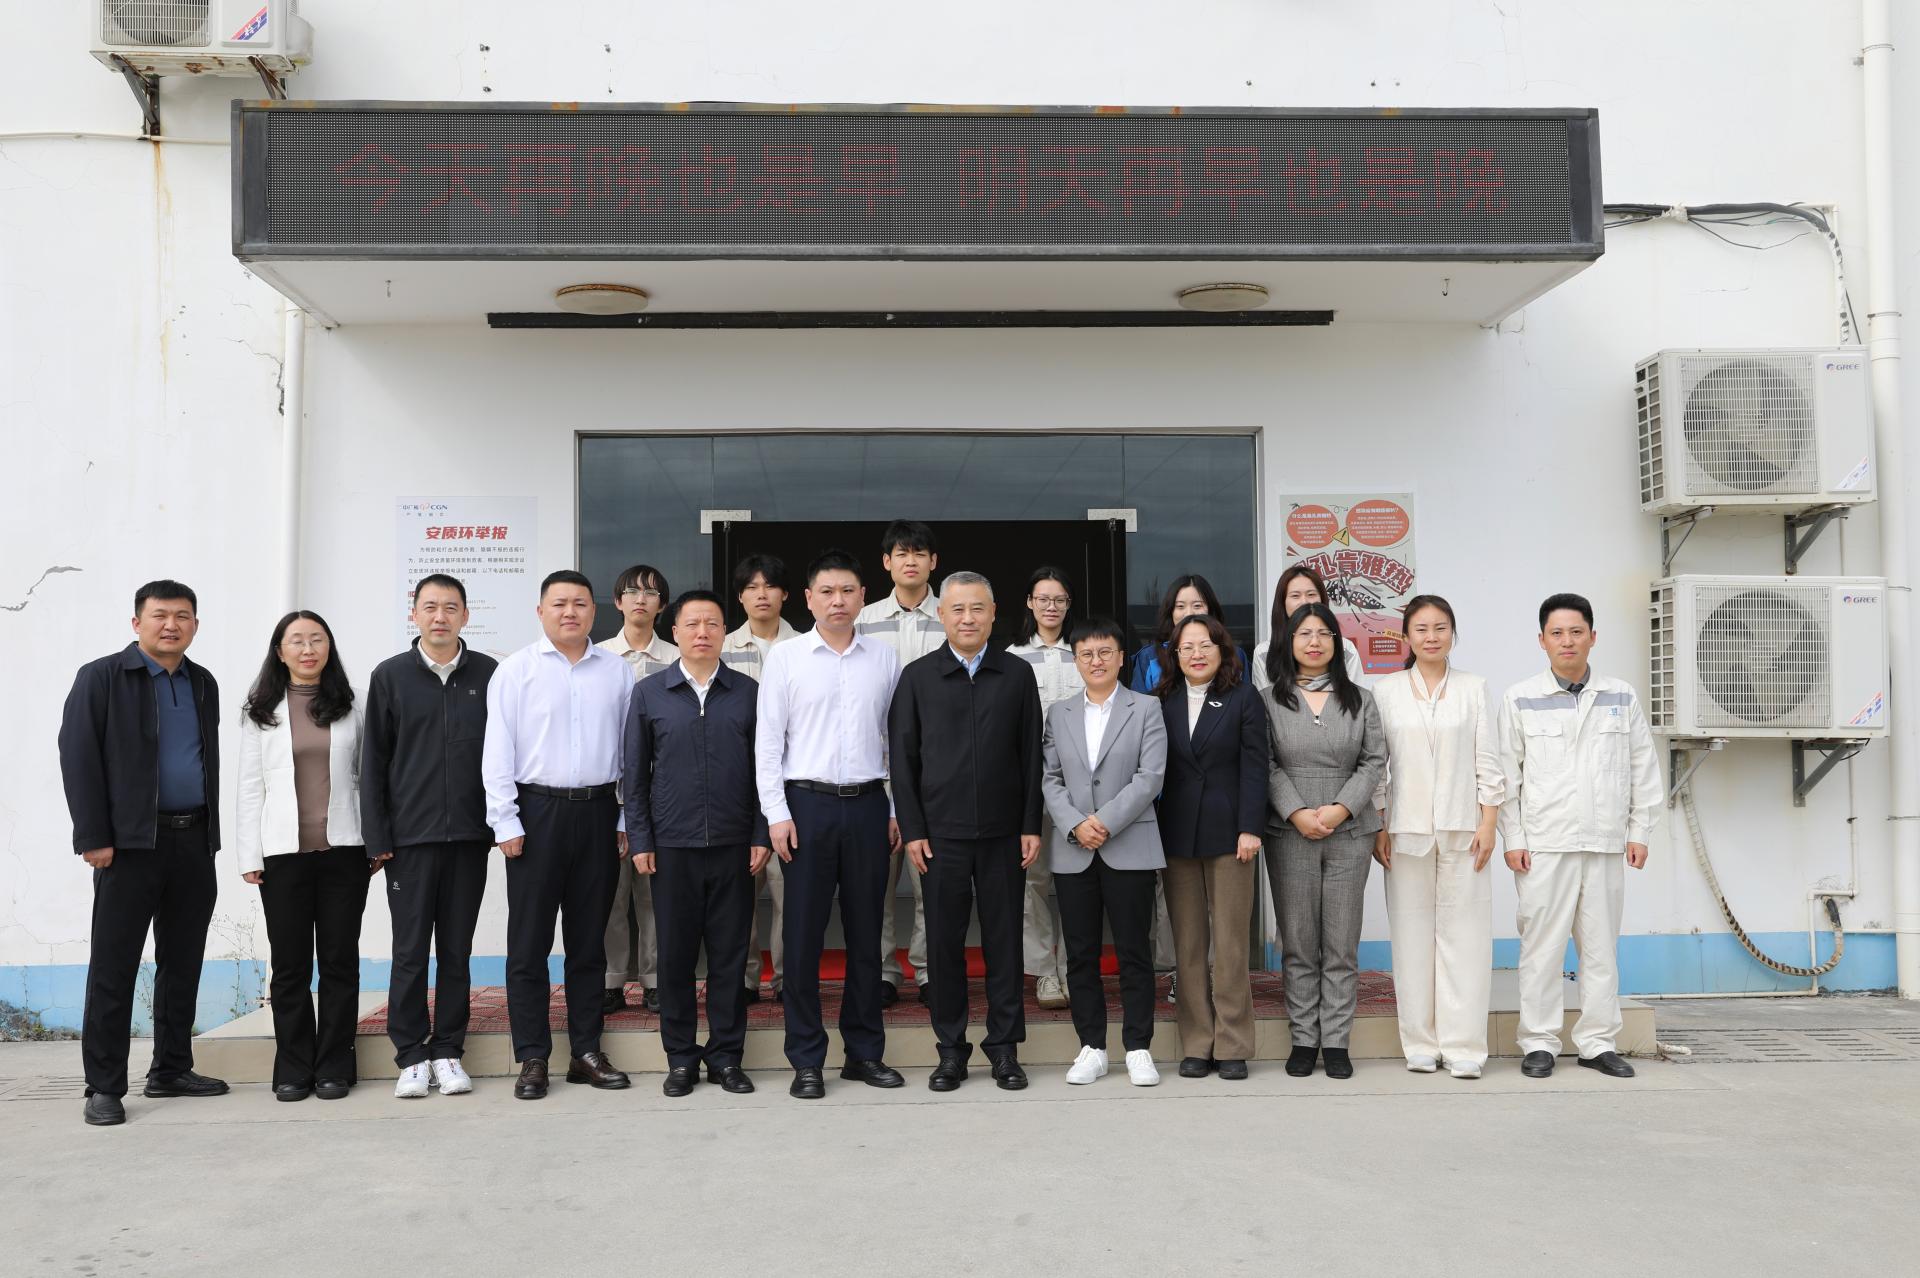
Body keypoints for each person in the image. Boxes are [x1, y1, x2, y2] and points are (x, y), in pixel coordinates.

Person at [59, 580, 227, 1127]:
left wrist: (211, 836)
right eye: (160, 615)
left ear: (195, 625)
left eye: (183, 616)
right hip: (129, 845)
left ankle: (172, 1068)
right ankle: (104, 1086)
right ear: (137, 623)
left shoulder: (203, 682)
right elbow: (78, 756)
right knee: (115, 966)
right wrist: (93, 835)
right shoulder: (102, 677)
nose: (171, 625)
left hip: (193, 840)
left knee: (183, 961)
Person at [757, 549, 908, 1099]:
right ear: (808, 598)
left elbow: (896, 742)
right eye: (826, 591)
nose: (837, 601)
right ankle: (806, 1059)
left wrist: (895, 809)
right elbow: (768, 742)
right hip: (806, 808)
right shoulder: (786, 658)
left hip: (869, 805)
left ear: (863, 596)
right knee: (801, 938)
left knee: (868, 935)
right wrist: (776, 813)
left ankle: (864, 1053)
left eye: (847, 591)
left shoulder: (885, 658)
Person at [891, 571, 1045, 1092]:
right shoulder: (917, 678)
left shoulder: (1017, 674)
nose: (968, 618)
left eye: (978, 608)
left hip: (1004, 835)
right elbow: (902, 760)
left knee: (1005, 945)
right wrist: (913, 828)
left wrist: (1030, 824)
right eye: (957, 609)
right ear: (941, 615)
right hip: (941, 837)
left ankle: (1004, 1049)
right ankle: (951, 1051)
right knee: (943, 947)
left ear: (994, 613)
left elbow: (1031, 755)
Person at [484, 570, 634, 1100]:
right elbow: (497, 750)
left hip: (598, 813)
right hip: (535, 814)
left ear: (595, 611)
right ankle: (533, 1056)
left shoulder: (616, 671)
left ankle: (586, 1051)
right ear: (541, 611)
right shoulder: (516, 670)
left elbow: (629, 751)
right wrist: (505, 821)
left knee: (588, 943)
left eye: (580, 604)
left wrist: (624, 819)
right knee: (529, 944)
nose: (570, 612)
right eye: (559, 603)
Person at [1500, 593, 1662, 1080]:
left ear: (1593, 637)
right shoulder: (1521, 697)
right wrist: (1514, 837)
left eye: (1576, 632)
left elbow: (1642, 766)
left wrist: (1639, 830)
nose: (1566, 641)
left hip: (1605, 843)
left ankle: (1597, 1043)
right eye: (1557, 633)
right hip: (1545, 845)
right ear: (1542, 640)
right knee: (1541, 951)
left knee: (1600, 951)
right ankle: (1539, 1042)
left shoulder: (1620, 695)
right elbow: (1508, 776)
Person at [626, 591, 771, 1097]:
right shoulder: (650, 694)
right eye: (692, 624)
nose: (702, 632)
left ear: (725, 631)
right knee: (675, 959)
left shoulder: (748, 692)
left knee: (731, 957)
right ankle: (681, 1059)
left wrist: (760, 833)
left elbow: (764, 771)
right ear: (675, 632)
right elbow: (635, 774)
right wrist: (641, 837)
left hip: (734, 846)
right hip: (672, 847)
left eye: (712, 623)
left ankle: (727, 1058)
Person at [362, 573, 498, 1100]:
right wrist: (378, 837)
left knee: (457, 951)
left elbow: (504, 754)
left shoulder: (488, 673)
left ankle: (448, 1050)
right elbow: (373, 762)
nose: (440, 617)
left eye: (451, 607)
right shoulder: (390, 676)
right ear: (414, 613)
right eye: (430, 607)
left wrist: (499, 823)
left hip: (469, 836)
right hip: (410, 840)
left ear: (466, 615)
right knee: (410, 951)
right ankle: (411, 1055)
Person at [236, 610, 369, 1102]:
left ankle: (334, 1064)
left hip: (345, 850)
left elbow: (369, 777)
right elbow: (249, 787)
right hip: (283, 855)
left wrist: (375, 839)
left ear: (329, 647)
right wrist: (249, 854)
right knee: (290, 965)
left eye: (317, 639)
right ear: (280, 651)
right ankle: (293, 1067)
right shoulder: (260, 710)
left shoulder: (354, 704)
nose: (308, 649)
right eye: (297, 641)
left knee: (339, 961)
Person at [1372, 595, 1505, 1080]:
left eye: (1440, 627)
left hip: (1463, 827)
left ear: (1453, 633)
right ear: (1406, 636)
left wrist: (1489, 822)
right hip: (1404, 829)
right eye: (1422, 629)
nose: (1431, 637)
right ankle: (1421, 1043)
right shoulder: (1385, 691)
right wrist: (1379, 824)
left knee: (1465, 939)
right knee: (1411, 940)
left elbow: (1487, 757)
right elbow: (1379, 765)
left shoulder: (1473, 688)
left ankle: (1464, 1045)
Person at [1262, 601, 1388, 1081]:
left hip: (1350, 830)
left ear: (1337, 643)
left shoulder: (1360, 699)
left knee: (1340, 940)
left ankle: (1335, 1040)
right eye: (1304, 634)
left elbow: (1374, 760)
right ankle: (1303, 1039)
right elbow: (1264, 762)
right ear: (1288, 643)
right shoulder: (1267, 700)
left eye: (1323, 634)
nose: (1314, 642)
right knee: (1298, 940)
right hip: (1288, 830)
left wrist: (1340, 808)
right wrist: (1296, 812)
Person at [1042, 618, 1169, 1087]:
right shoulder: (1059, 713)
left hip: (1129, 845)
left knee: (1135, 951)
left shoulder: (1146, 708)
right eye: (1086, 654)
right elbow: (1049, 778)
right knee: (1080, 954)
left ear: (1120, 658)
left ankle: (1138, 1047)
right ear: (1075, 660)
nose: (1096, 661)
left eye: (1105, 652)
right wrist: (1077, 824)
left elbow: (1150, 777)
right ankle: (1091, 1047)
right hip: (1074, 848)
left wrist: (1105, 821)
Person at [1154, 613, 1267, 1080]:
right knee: (1189, 944)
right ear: (1175, 655)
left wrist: (1250, 827)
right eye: (1187, 647)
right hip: (1177, 835)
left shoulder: (1243, 697)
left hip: (1230, 835)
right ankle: (1198, 1041)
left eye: (1205, 645)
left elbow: (1256, 766)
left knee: (1231, 943)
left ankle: (1233, 1042)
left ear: (1222, 650)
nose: (1196, 654)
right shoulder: (1161, 701)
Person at [855, 519, 943, 1007]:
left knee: (931, 879)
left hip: (933, 774)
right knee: (876, 883)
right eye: (901, 553)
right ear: (887, 562)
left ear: (933, 562)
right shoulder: (862, 621)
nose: (911, 561)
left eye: (919, 553)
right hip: (875, 771)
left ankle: (930, 970)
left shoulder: (951, 616)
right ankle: (883, 970)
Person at [597, 563, 677, 1015]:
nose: (640, 599)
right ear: (618, 601)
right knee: (611, 893)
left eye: (650, 593)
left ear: (662, 605)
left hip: (661, 793)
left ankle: (654, 980)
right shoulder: (599, 657)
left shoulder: (677, 657)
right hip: (607, 793)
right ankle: (611, 979)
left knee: (653, 894)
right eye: (631, 591)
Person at [720, 553, 800, 1005]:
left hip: (790, 792)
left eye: (770, 585)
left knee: (790, 893)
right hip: (737, 793)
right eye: (751, 587)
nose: (761, 594)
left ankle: (787, 978)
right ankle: (745, 978)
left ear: (785, 593)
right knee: (739, 895)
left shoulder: (806, 646)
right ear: (740, 596)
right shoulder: (721, 647)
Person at [1005, 566, 1081, 1009]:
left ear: (1069, 605)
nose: (1051, 607)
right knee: (1032, 879)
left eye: (1060, 599)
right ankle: (1043, 973)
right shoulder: (1013, 657)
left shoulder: (1085, 652)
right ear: (1030, 603)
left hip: (1080, 787)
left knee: (1075, 879)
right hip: (1030, 784)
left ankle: (1072, 969)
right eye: (1043, 599)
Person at [1126, 573, 1249, 693]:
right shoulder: (1149, 657)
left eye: (1197, 605)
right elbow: (1140, 704)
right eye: (1180, 606)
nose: (1189, 613)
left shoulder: (1234, 655)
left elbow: (1245, 699)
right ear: (1170, 612)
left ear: (1210, 609)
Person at [1253, 564, 1366, 691]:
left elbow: (1356, 697)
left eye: (1311, 594)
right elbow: (1265, 700)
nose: (1304, 602)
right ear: (1282, 603)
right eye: (1295, 596)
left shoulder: (1346, 649)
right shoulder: (1264, 653)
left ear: (1322, 599)